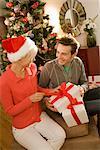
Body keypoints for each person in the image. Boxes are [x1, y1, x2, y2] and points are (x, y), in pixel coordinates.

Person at [0, 36, 66, 150]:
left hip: (38, 116)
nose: (33, 61)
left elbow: (35, 88)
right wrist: (30, 100)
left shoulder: (32, 68)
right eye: (30, 58)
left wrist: (50, 92)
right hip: (22, 127)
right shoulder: (4, 81)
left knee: (60, 136)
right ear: (20, 58)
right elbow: (9, 110)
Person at [39, 36, 88, 112]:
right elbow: (40, 89)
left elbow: (84, 82)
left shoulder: (78, 62)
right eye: (58, 52)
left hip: (77, 100)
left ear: (74, 54)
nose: (59, 57)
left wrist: (82, 88)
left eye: (64, 54)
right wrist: (45, 100)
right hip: (59, 106)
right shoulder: (48, 67)